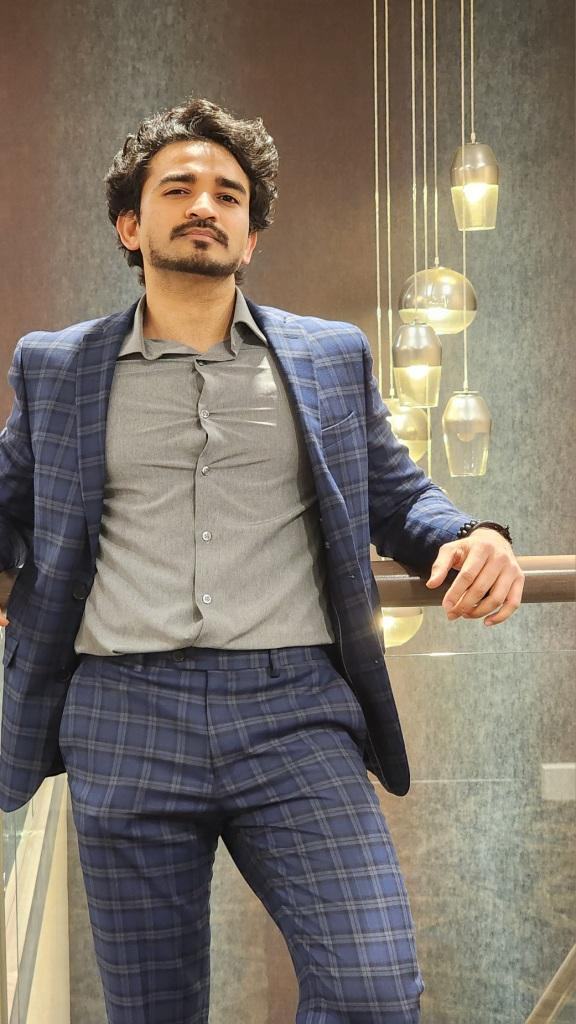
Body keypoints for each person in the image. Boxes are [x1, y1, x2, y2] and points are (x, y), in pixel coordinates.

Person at [0, 97, 524, 1024]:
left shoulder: (327, 355)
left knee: (373, 990)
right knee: (154, 1010)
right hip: (124, 714)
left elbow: (396, 493)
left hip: (295, 715)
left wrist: (475, 534)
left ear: (249, 238)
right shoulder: (57, 366)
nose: (205, 204)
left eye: (229, 194)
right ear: (130, 224)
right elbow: (9, 501)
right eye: (178, 188)